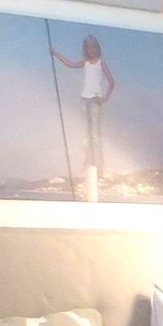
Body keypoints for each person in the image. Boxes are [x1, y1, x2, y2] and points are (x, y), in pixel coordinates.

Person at [50, 34, 114, 202]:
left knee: (95, 135)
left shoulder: (101, 63)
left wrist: (104, 98)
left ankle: (99, 168)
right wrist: (56, 54)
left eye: (92, 47)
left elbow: (112, 83)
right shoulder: (85, 62)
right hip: (84, 100)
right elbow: (70, 63)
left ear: (96, 48)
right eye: (87, 47)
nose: (90, 50)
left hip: (95, 101)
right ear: (85, 49)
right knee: (86, 135)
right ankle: (88, 163)